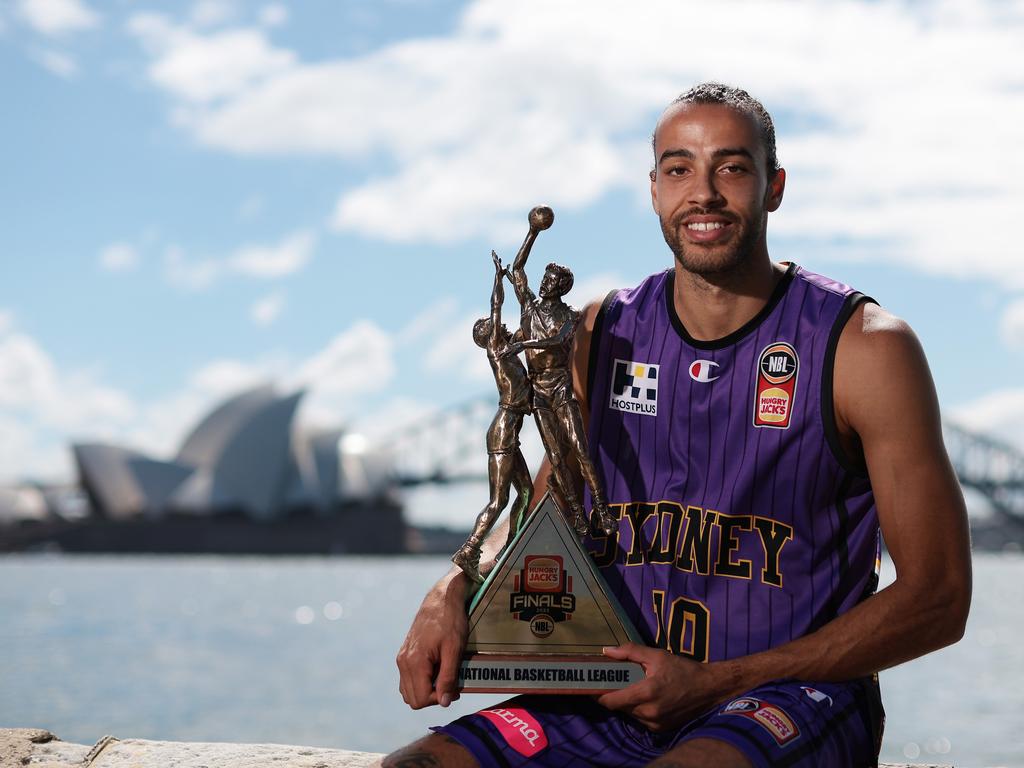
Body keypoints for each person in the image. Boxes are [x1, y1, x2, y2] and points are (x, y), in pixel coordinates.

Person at [389, 83, 972, 768]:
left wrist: (717, 683)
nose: (704, 193)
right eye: (678, 169)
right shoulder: (599, 334)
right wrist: (454, 587)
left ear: (773, 186)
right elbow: (545, 529)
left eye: (731, 167)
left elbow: (938, 597)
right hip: (611, 697)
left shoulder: (864, 346)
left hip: (787, 694)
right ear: (655, 190)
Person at [501, 225, 617, 538]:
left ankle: (602, 510)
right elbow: (517, 268)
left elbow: (555, 342)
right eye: (544, 277)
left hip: (562, 388)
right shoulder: (529, 308)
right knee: (555, 457)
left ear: (561, 286)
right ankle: (578, 517)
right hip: (538, 391)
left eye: (551, 279)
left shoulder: (571, 316)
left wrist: (520, 345)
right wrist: (532, 232)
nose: (544, 282)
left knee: (581, 449)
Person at [452, 251, 534, 584]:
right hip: (502, 430)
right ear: (487, 335)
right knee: (499, 500)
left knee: (526, 494)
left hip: (509, 430)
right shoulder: (498, 348)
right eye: (491, 327)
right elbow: (497, 309)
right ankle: (470, 551)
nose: (497, 325)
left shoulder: (507, 348)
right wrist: (498, 280)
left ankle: (507, 551)